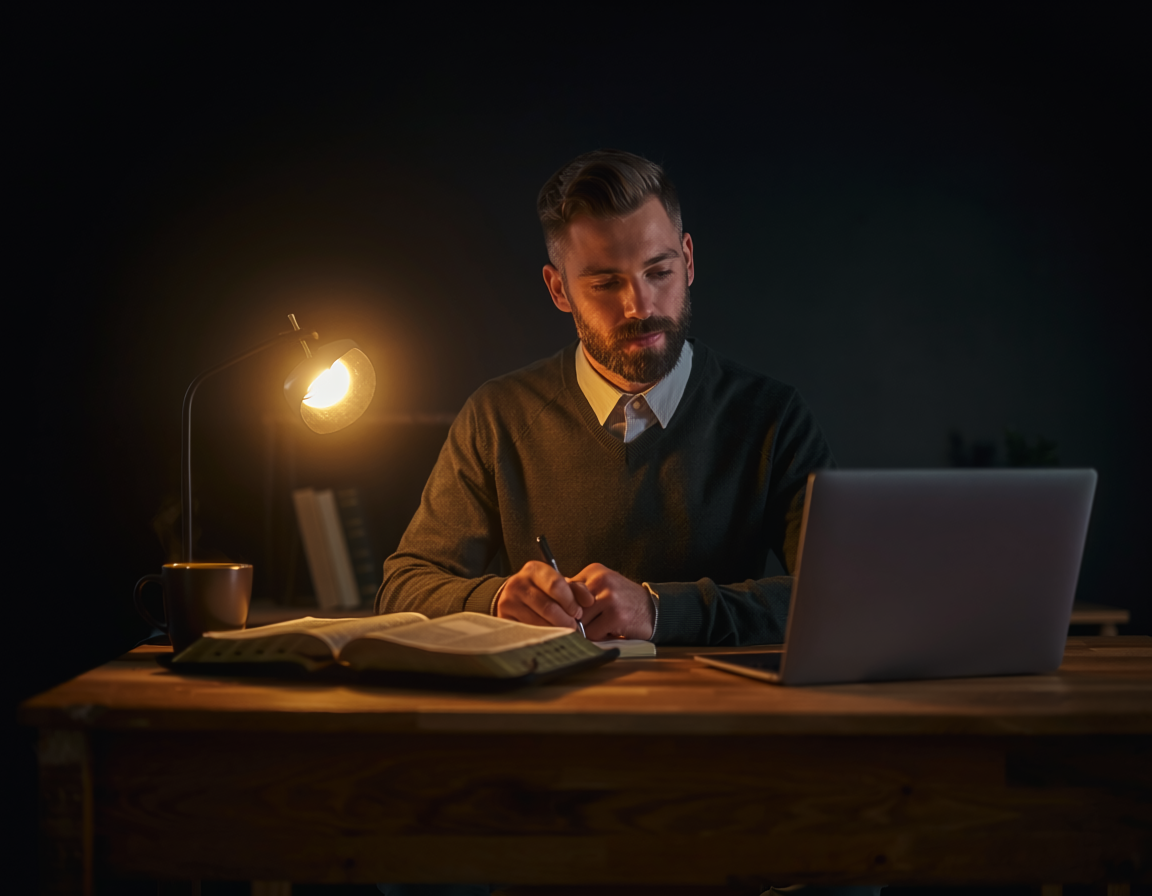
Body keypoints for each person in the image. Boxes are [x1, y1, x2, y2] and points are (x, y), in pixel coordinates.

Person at [376, 148, 835, 646]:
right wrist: (496, 599)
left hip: (719, 714)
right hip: (549, 713)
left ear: (688, 260)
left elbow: (840, 591)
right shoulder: (497, 417)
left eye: (659, 273)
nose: (640, 306)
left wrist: (661, 612)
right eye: (605, 284)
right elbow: (403, 587)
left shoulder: (772, 416)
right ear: (558, 290)